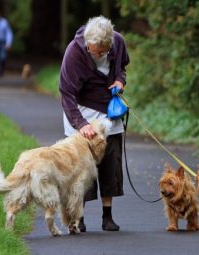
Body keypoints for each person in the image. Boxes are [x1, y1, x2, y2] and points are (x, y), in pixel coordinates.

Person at [59, 16, 130, 232]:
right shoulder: (74, 52)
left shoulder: (117, 41)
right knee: (82, 168)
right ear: (87, 43)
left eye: (102, 51)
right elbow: (67, 93)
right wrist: (81, 124)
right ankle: (79, 217)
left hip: (109, 111)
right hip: (82, 110)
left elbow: (122, 68)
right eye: (94, 51)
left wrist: (120, 80)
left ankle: (107, 215)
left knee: (111, 161)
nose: (98, 54)